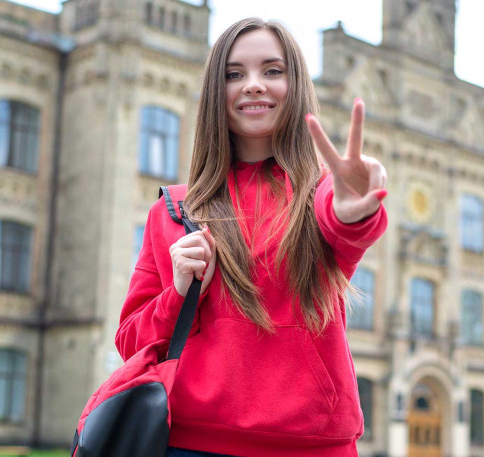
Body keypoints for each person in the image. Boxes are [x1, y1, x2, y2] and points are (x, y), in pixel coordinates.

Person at [115, 17, 388, 457]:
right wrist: (179, 293)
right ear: (214, 94)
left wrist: (353, 211)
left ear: (295, 85)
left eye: (272, 71)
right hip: (191, 445)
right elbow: (131, 341)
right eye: (234, 74)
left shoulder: (320, 195)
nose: (254, 85)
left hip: (312, 447)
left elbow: (344, 229)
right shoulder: (173, 211)